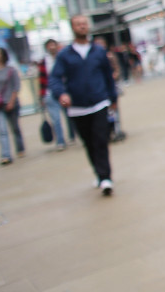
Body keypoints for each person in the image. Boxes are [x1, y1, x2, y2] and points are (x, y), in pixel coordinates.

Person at [49, 15, 119, 196]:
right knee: (88, 142)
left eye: (84, 24)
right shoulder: (65, 55)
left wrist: (113, 98)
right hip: (77, 107)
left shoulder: (98, 51)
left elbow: (107, 76)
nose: (82, 27)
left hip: (99, 103)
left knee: (101, 140)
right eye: (78, 24)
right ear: (72, 28)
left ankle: (105, 177)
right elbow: (55, 78)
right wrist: (61, 93)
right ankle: (98, 172)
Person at [38, 39, 69, 151]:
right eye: (49, 45)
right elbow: (41, 79)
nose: (51, 47)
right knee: (56, 119)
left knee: (70, 115)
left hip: (64, 90)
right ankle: (60, 141)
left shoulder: (63, 58)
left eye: (53, 45)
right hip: (49, 92)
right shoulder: (43, 62)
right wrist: (42, 96)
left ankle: (72, 136)